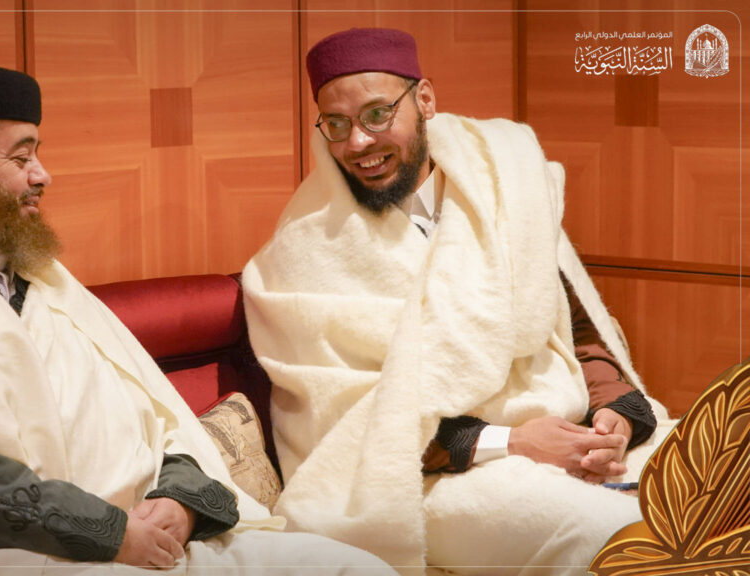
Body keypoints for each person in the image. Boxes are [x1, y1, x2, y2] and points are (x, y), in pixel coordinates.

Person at [0, 58, 394, 575]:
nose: (42, 175)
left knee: (351, 568)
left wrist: (180, 503)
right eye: (21, 157)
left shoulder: (36, 273)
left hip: (141, 536)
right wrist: (102, 531)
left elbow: (154, 416)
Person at [242, 28, 671, 574]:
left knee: (715, 488)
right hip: (425, 475)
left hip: (569, 434)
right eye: (337, 124)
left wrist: (614, 416)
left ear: (424, 100)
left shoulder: (503, 189)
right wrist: (513, 442)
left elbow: (574, 333)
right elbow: (346, 425)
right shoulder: (306, 251)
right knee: (621, 537)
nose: (358, 143)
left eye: (377, 115)